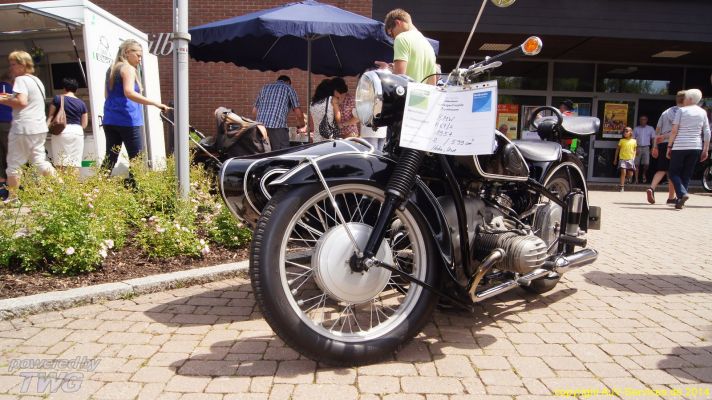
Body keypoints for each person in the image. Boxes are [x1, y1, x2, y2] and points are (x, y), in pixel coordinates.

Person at [102, 39, 170, 175]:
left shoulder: (112, 68)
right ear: (127, 52)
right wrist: (155, 103)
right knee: (137, 159)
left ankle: (98, 184)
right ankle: (136, 187)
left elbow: (106, 94)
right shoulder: (128, 68)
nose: (140, 59)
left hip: (110, 119)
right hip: (128, 119)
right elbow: (129, 92)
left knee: (110, 157)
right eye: (138, 55)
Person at [0, 51, 55, 203]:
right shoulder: (36, 80)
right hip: (38, 127)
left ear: (22, 65)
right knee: (39, 162)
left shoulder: (20, 80)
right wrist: (10, 98)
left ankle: (13, 198)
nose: (10, 68)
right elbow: (27, 100)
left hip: (23, 128)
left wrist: (3, 100)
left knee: (13, 164)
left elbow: (22, 102)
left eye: (13, 64)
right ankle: (63, 188)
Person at [666, 89, 711, 210]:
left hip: (680, 146)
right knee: (686, 174)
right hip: (696, 146)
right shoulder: (703, 112)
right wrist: (705, 149)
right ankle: (680, 200)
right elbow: (707, 131)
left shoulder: (681, 111)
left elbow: (674, 130)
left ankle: (682, 194)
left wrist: (669, 146)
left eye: (685, 98)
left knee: (673, 173)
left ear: (690, 99)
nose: (683, 100)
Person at [376, 9, 436, 85]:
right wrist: (394, 68)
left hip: (408, 92)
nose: (393, 38)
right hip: (422, 93)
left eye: (391, 34)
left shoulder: (401, 38)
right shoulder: (428, 46)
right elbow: (432, 84)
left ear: (397, 23)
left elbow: (399, 79)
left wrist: (386, 70)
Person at [647, 92, 684, 204]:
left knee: (662, 169)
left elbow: (657, 130)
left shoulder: (666, 112)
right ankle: (671, 197)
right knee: (674, 171)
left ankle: (652, 188)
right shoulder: (684, 113)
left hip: (662, 143)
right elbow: (677, 130)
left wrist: (655, 146)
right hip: (676, 143)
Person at [253, 75, 306, 150]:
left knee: (264, 152)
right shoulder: (288, 88)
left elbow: (254, 111)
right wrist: (302, 125)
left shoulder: (264, 88)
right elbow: (298, 113)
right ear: (288, 82)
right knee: (281, 152)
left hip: (260, 127)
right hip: (277, 127)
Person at [46, 78, 88, 173]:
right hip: (77, 132)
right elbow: (84, 124)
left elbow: (50, 117)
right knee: (75, 163)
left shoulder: (57, 99)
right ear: (76, 90)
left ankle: (62, 182)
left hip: (61, 131)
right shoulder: (82, 103)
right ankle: (73, 182)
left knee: (60, 163)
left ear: (64, 88)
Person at [0, 72, 12, 200]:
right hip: (7, 125)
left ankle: (1, 187)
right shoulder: (8, 89)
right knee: (10, 156)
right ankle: (11, 186)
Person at [633, 115, 655, 183]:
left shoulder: (650, 128)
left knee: (646, 163)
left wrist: (653, 148)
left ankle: (644, 174)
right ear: (639, 121)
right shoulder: (636, 129)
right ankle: (636, 179)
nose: (643, 121)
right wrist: (635, 148)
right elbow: (633, 139)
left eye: (644, 119)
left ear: (647, 120)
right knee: (636, 164)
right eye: (641, 119)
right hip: (638, 147)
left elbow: (653, 138)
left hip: (646, 147)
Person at [613, 127, 636, 192]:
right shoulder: (621, 141)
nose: (625, 133)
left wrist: (633, 157)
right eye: (624, 132)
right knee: (623, 172)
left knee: (630, 174)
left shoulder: (634, 141)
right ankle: (622, 187)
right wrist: (615, 159)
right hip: (622, 159)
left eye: (627, 131)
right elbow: (617, 150)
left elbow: (635, 150)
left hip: (630, 159)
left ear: (630, 132)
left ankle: (627, 179)